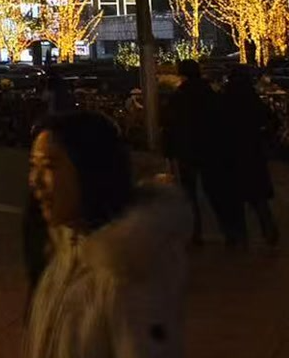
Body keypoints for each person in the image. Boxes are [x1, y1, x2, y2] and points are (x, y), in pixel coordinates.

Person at [27, 111, 188, 358]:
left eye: (49, 166)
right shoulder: (63, 253)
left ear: (90, 171)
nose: (35, 180)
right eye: (33, 166)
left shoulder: (127, 269)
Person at [210, 67, 280, 248]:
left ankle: (238, 236)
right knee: (258, 199)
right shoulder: (253, 100)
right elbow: (271, 121)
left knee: (234, 200)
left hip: (230, 154)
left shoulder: (223, 100)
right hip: (252, 153)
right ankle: (269, 230)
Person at [161, 59, 220, 243]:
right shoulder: (210, 93)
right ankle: (230, 228)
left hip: (186, 149)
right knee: (214, 189)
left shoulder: (180, 96)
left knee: (190, 192)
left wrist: (169, 151)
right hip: (210, 147)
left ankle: (196, 231)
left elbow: (170, 124)